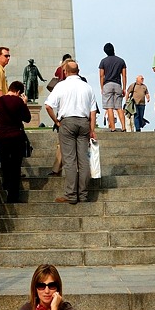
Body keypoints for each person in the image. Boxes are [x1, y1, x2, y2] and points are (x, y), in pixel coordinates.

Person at [45, 59, 97, 204]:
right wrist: (92, 129)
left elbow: (48, 105)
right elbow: (93, 111)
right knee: (83, 160)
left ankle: (71, 195)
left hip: (67, 122)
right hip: (84, 122)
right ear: (78, 72)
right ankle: (84, 194)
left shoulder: (61, 86)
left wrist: (56, 121)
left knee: (70, 160)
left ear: (65, 72)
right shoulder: (87, 87)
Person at [0, 80, 32, 203]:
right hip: (17, 137)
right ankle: (13, 196)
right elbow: (27, 119)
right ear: (19, 91)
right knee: (15, 166)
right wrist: (24, 103)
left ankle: (5, 185)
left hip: (3, 137)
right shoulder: (19, 101)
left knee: (5, 163)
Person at [99, 43, 127, 132]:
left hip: (107, 84)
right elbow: (124, 75)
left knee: (109, 107)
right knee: (119, 107)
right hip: (118, 84)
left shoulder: (103, 61)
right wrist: (124, 88)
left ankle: (113, 127)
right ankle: (123, 126)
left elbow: (101, 75)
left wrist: (101, 87)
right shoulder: (121, 61)